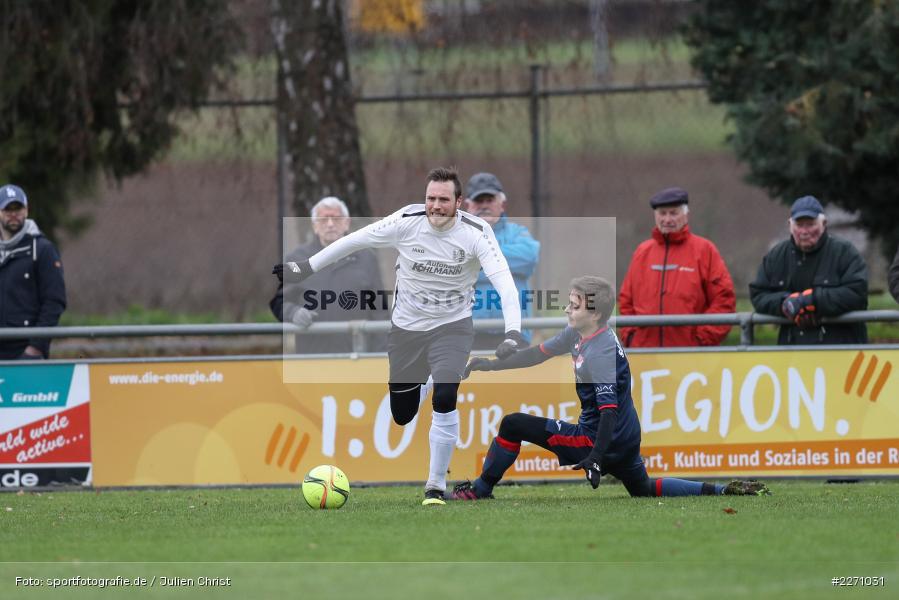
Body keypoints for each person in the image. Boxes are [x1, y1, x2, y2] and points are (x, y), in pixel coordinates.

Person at [273, 167, 525, 506]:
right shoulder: (407, 220)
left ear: (459, 202)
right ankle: (429, 381)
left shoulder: (477, 232)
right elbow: (353, 240)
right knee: (403, 413)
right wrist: (305, 267)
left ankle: (435, 486)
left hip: (453, 327)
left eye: (443, 200)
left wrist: (513, 332)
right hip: (406, 331)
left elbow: (505, 283)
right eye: (431, 198)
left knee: (446, 393)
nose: (435, 206)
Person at [455, 275, 769, 500]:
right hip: (626, 437)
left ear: (595, 314)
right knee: (643, 489)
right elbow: (538, 354)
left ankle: (480, 489)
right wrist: (492, 365)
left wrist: (594, 456)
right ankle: (722, 490)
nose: (567, 310)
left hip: (597, 438)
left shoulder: (600, 351)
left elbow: (608, 411)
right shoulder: (579, 333)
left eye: (574, 306)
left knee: (513, 424)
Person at [618, 187, 735, 348]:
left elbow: (724, 300)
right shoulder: (642, 252)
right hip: (645, 355)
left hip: (690, 357)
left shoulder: (705, 251)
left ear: (686, 215)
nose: (667, 219)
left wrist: (701, 340)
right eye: (662, 213)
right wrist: (631, 337)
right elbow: (626, 300)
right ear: (655, 215)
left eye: (673, 213)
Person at [270, 196, 386, 354]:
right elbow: (278, 303)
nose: (330, 224)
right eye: (324, 219)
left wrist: (379, 354)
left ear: (347, 223)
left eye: (336, 219)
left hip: (358, 356)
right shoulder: (298, 260)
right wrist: (293, 313)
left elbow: (380, 310)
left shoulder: (366, 257)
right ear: (315, 226)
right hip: (314, 358)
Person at [750, 196, 868, 344]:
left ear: (824, 224)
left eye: (810, 224)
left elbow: (857, 294)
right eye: (799, 225)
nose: (804, 231)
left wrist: (812, 301)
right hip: (793, 353)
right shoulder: (776, 256)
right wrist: (786, 304)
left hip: (842, 351)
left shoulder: (844, 252)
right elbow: (758, 295)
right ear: (790, 226)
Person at [464, 172, 540, 350]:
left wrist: (478, 258)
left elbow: (529, 257)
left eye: (489, 200)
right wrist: (503, 266)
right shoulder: (458, 237)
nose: (484, 206)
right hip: (469, 335)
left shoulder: (517, 232)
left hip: (514, 334)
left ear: (502, 204)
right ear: (467, 206)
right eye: (478, 201)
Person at [0, 184, 67, 360]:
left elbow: (54, 302)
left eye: (18, 208)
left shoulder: (43, 249)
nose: (13, 213)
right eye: (7, 208)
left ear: (27, 210)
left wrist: (36, 348)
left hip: (25, 352)